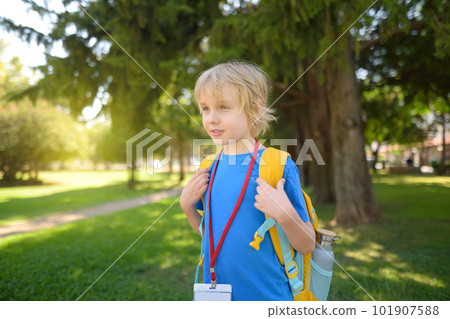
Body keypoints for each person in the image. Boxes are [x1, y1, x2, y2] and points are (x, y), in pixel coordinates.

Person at [180, 61, 315, 301]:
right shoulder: (207, 168)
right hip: (218, 297)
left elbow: (307, 245)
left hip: (267, 297)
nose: (211, 118)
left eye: (223, 107)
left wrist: (284, 214)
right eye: (205, 108)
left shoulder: (277, 165)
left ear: (255, 109)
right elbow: (213, 235)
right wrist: (188, 208)